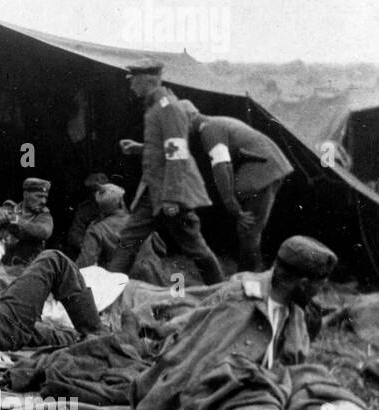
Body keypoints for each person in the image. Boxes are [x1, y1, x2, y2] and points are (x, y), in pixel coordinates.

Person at [131, 236, 337, 410]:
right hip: (219, 397)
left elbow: (292, 368)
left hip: (272, 400)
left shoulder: (296, 316)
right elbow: (196, 361)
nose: (318, 295)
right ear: (303, 283)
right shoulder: (239, 299)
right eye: (318, 287)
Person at [107, 61, 224, 285]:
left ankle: (221, 290)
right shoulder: (155, 107)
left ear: (149, 80)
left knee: (194, 247)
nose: (131, 84)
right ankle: (108, 292)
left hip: (170, 194)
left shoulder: (168, 108)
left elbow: (177, 156)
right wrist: (140, 148)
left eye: (134, 79)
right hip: (153, 192)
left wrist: (172, 199)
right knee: (128, 240)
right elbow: (165, 147)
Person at [180, 103, 293, 272]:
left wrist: (231, 203)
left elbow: (221, 166)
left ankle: (249, 279)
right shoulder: (217, 122)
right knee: (250, 230)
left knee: (249, 230)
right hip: (269, 167)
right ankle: (248, 276)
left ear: (188, 118)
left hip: (263, 171)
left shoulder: (210, 130)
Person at [0, 178, 54, 265]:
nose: (43, 201)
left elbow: (43, 232)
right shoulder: (9, 208)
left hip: (22, 269)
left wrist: (15, 220)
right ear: (26, 195)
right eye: (39, 196)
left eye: (45, 197)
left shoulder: (44, 217)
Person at [76, 183, 129, 268]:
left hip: (113, 276)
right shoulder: (137, 223)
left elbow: (85, 262)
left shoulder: (97, 229)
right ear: (121, 202)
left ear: (100, 207)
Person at [65, 172, 111, 255]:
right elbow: (75, 233)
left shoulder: (115, 207)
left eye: (100, 192)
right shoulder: (85, 209)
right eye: (94, 191)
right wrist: (87, 247)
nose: (96, 195)